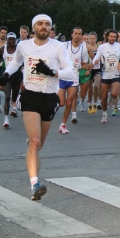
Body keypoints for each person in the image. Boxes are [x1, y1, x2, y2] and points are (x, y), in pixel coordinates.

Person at [0, 14, 74, 200]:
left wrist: (52, 72)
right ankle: (35, 184)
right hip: (30, 96)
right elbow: (16, 61)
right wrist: (6, 73)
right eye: (40, 24)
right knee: (34, 141)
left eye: (47, 24)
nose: (44, 27)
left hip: (49, 98)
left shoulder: (58, 46)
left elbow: (70, 71)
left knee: (39, 144)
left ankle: (33, 145)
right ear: (34, 28)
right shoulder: (23, 46)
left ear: (50, 28)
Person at [58, 27, 89, 133]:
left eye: (79, 34)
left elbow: (84, 63)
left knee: (69, 101)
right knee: (61, 102)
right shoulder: (64, 45)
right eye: (75, 33)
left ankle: (63, 124)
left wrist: (87, 68)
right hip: (62, 76)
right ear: (71, 35)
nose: (77, 35)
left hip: (74, 78)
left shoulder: (83, 49)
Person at [92, 29, 120, 123]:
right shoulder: (102, 47)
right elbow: (96, 57)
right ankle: (104, 114)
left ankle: (112, 96)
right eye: (111, 36)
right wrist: (95, 61)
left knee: (114, 93)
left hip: (116, 73)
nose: (113, 38)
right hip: (105, 73)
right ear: (107, 37)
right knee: (104, 96)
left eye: (115, 37)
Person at [0, 32, 22, 127]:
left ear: (16, 40)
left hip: (17, 76)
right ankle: (6, 119)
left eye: (13, 39)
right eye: (10, 39)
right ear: (7, 40)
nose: (12, 41)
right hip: (7, 76)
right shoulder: (2, 49)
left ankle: (14, 107)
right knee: (7, 96)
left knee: (14, 97)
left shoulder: (19, 50)